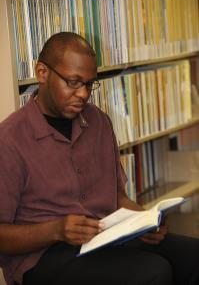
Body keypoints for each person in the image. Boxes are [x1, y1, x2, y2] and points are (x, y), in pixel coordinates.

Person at [0, 32, 198, 285]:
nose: (83, 94)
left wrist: (147, 222)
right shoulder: (9, 139)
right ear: (42, 73)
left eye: (89, 84)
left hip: (105, 237)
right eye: (73, 82)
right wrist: (56, 230)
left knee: (193, 256)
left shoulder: (98, 122)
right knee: (152, 271)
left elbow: (118, 198)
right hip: (43, 257)